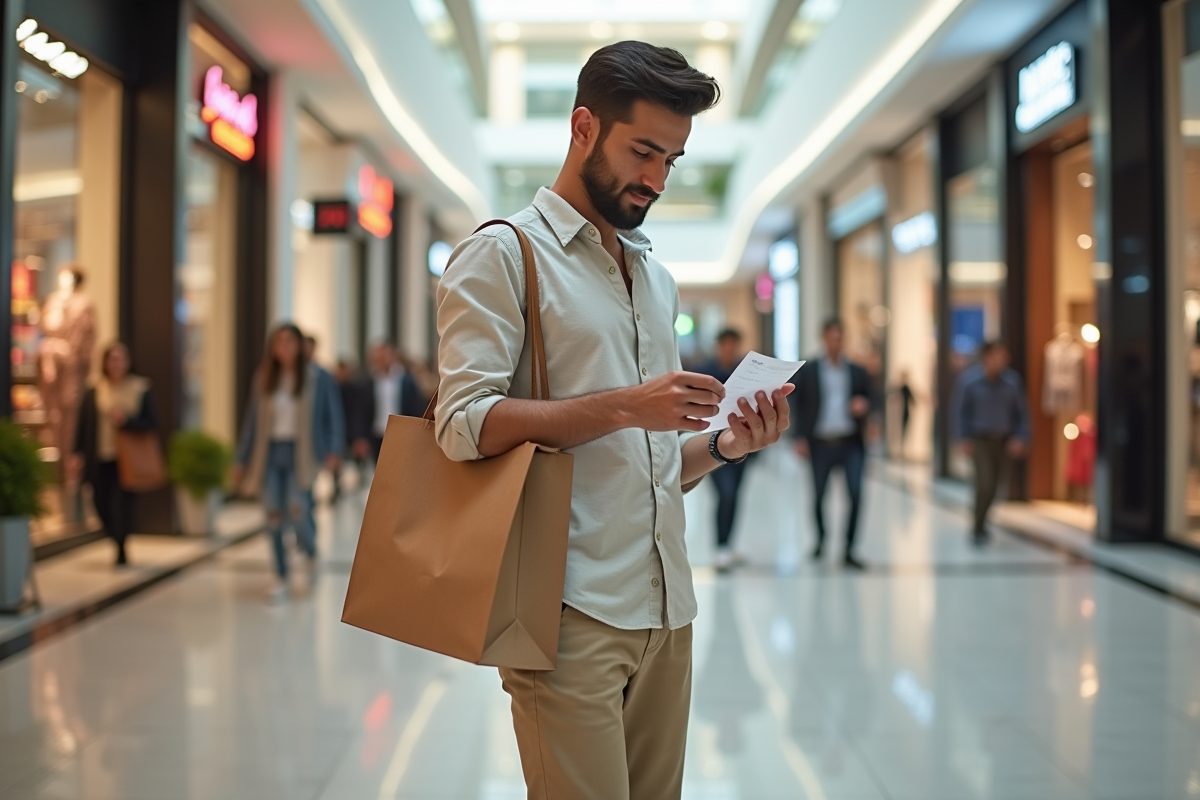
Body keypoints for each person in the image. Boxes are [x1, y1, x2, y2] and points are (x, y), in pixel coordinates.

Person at [434, 41, 792, 800]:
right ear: (584, 127)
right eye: (644, 152)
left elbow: (652, 463)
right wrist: (628, 405)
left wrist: (725, 446)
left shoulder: (653, 276)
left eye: (674, 160)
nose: (658, 179)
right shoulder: (501, 255)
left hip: (668, 613)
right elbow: (461, 424)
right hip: (564, 613)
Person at [232, 323, 345, 602]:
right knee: (272, 516)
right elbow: (252, 423)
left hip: (301, 454)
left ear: (299, 346)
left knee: (297, 511)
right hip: (269, 454)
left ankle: (310, 552)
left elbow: (333, 416)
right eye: (278, 342)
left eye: (289, 341)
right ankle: (280, 577)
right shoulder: (264, 379)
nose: (284, 347)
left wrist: (334, 450)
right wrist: (241, 459)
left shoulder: (317, 378)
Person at [791, 318, 872, 570]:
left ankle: (849, 549)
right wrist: (799, 438)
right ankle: (821, 540)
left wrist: (866, 407)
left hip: (850, 443)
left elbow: (871, 398)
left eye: (840, 336)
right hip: (820, 443)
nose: (836, 341)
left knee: (856, 495)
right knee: (818, 496)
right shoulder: (810, 369)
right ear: (824, 338)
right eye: (831, 336)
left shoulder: (857, 370)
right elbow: (798, 405)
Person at [69, 342, 157, 567]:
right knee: (99, 501)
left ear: (128, 361)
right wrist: (76, 453)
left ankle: (121, 546)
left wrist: (127, 421)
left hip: (127, 459)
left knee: (122, 505)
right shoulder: (94, 390)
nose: (116, 364)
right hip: (99, 456)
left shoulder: (139, 388)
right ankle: (115, 537)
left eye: (121, 358)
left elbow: (152, 422)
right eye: (112, 359)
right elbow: (83, 424)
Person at [953, 340, 1030, 545]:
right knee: (984, 483)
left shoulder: (1012, 381)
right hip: (979, 440)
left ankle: (983, 522)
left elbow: (1021, 412)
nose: (1003, 360)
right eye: (998, 355)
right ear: (987, 357)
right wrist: (962, 438)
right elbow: (960, 412)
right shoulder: (969, 381)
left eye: (1004, 356)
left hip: (1003, 440)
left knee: (996, 486)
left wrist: (1021, 437)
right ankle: (977, 527)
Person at [695, 329, 754, 572]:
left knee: (736, 495)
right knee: (726, 494)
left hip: (742, 443)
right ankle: (720, 546)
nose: (729, 349)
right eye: (725, 344)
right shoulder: (706, 372)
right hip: (713, 442)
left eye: (734, 344)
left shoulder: (745, 372)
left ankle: (729, 544)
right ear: (719, 346)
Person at [351, 340, 427, 463]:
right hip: (376, 434)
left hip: (400, 433)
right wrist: (360, 437)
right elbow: (360, 411)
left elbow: (415, 408)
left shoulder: (406, 380)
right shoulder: (368, 382)